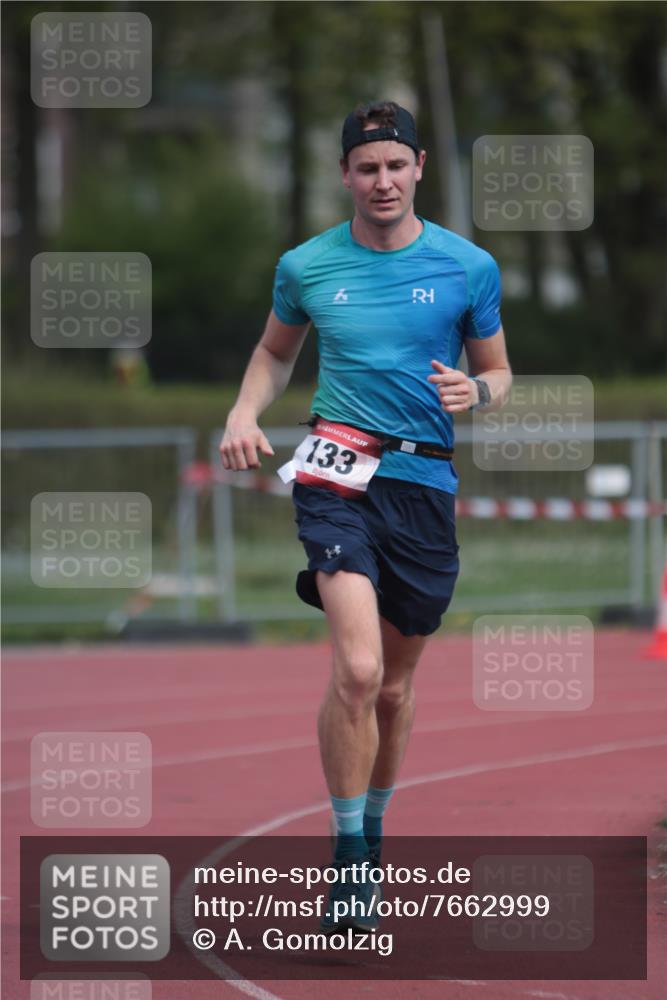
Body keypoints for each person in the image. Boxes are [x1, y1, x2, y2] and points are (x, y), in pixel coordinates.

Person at [220, 100, 512, 932]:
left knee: (392, 686)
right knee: (353, 670)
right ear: (344, 175)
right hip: (336, 474)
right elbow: (275, 352)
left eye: (394, 165)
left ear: (418, 167)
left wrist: (477, 390)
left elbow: (498, 373)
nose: (381, 181)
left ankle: (372, 829)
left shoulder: (468, 266)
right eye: (365, 167)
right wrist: (243, 414)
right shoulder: (306, 265)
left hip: (422, 487)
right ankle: (349, 864)